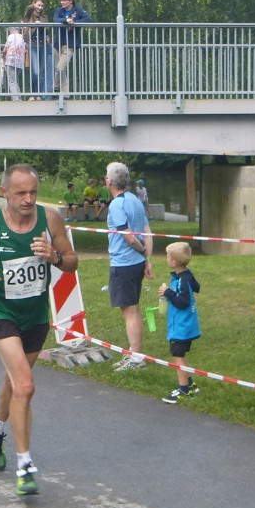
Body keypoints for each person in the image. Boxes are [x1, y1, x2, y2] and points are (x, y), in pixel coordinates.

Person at [0, 164, 77, 496]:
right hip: (1, 311)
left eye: (33, 192)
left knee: (14, 383)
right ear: (4, 192)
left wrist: (53, 256)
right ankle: (25, 465)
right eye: (20, 193)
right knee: (25, 385)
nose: (27, 199)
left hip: (36, 315)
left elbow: (72, 261)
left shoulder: (50, 220)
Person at [105, 161, 154, 371]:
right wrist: (147, 259)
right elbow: (147, 231)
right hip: (136, 262)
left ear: (109, 182)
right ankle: (134, 354)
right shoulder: (135, 199)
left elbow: (130, 238)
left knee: (130, 310)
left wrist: (143, 253)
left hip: (124, 263)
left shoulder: (117, 204)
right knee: (130, 308)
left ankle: (136, 358)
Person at [158, 242, 201, 404]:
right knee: (180, 355)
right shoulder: (185, 275)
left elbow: (182, 302)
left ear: (174, 261)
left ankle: (183, 389)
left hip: (181, 327)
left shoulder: (182, 280)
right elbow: (196, 287)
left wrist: (168, 292)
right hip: (186, 325)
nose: (166, 258)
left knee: (178, 356)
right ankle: (190, 383)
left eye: (168, 256)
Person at [53, 0, 91, 95]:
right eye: (61, 0)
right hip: (57, 43)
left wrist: (74, 23)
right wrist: (66, 20)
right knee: (60, 69)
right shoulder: (59, 10)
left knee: (60, 67)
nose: (62, 2)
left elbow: (88, 19)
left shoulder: (78, 10)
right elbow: (56, 20)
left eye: (64, 0)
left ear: (70, 1)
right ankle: (64, 93)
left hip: (70, 44)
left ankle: (55, 87)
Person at [23, 0, 53, 100]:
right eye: (38, 5)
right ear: (34, 4)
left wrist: (40, 24)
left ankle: (39, 95)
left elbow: (47, 29)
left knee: (41, 71)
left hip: (43, 45)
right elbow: (28, 10)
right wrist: (33, 6)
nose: (40, 8)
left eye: (42, 6)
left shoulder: (44, 17)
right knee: (35, 71)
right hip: (32, 46)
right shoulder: (29, 15)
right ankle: (32, 94)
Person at [1, 26, 26, 101]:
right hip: (19, 62)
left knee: (12, 81)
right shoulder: (22, 38)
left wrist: (2, 55)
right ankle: (19, 97)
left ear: (12, 30)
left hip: (11, 60)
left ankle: (16, 99)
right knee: (15, 80)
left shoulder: (10, 37)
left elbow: (5, 49)